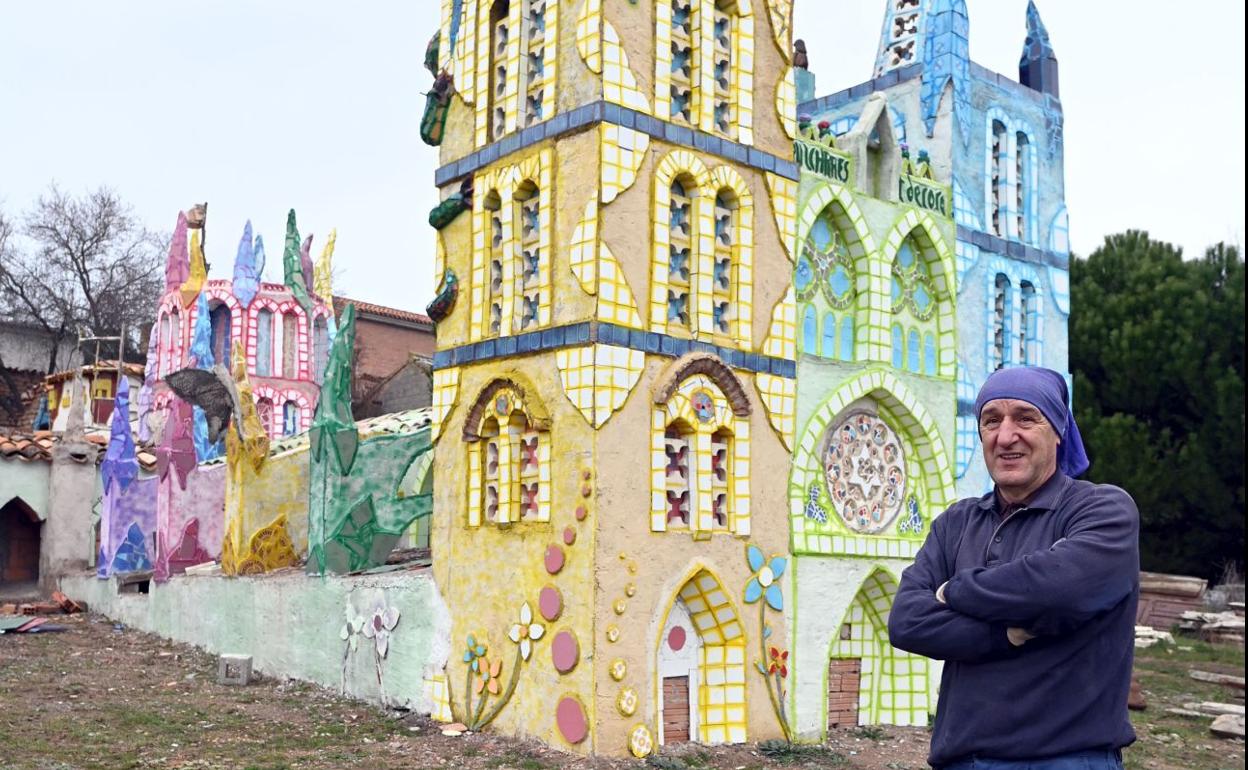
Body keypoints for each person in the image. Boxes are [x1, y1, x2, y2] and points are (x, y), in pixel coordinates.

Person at [889, 366, 1139, 770]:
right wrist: (1008, 632)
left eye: (1025, 417)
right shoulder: (956, 523)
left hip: (1067, 759)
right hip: (962, 760)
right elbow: (906, 622)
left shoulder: (1102, 510)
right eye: (991, 421)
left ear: (1057, 429)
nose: (1006, 436)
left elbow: (1059, 591)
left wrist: (951, 592)